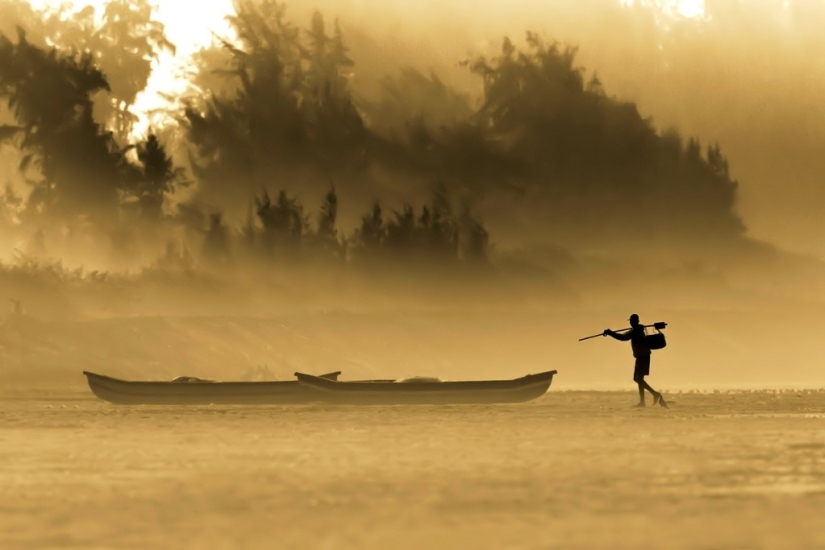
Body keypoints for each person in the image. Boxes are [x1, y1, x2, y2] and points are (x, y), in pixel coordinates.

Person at [604, 314, 668, 408]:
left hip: (643, 356)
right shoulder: (636, 330)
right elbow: (624, 335)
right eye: (630, 321)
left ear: (636, 321)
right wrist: (611, 333)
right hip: (642, 356)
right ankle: (643, 401)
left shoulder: (636, 331)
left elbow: (623, 337)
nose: (631, 322)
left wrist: (610, 333)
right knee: (638, 379)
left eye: (632, 321)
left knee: (638, 379)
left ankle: (655, 394)